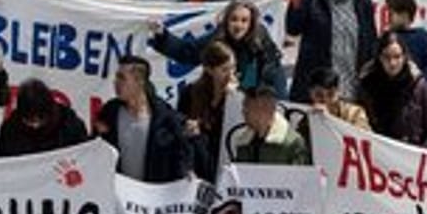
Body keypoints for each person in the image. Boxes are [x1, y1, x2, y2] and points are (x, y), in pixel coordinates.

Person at [288, 0, 378, 102]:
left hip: (352, 89)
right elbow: (293, 28)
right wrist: (297, 1)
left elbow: (371, 42)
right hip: (320, 89)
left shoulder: (363, 3)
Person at [152, 0, 288, 96]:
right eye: (234, 19)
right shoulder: (218, 37)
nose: (238, 25)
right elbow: (188, 52)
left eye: (244, 21)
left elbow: (272, 74)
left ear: (251, 23)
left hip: (259, 97)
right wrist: (162, 33)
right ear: (226, 20)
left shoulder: (260, 40)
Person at [95, 57, 191, 182]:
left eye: (122, 78)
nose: (116, 82)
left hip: (151, 196)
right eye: (116, 77)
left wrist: (187, 173)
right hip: (118, 194)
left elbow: (181, 155)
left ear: (139, 82)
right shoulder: (109, 112)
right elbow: (97, 149)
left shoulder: (166, 118)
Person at [358, 32, 427, 149]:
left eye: (397, 57)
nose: (392, 63)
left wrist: (422, 155)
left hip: (409, 154)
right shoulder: (367, 85)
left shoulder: (419, 85)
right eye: (387, 57)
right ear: (379, 57)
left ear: (405, 57)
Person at [175, 41, 236, 180]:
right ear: (209, 70)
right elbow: (180, 128)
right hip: (197, 160)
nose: (230, 74)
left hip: (223, 161)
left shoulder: (236, 96)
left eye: (233, 68)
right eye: (224, 70)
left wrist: (231, 100)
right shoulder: (190, 93)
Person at [0, 78, 89, 157]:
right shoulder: (10, 130)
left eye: (40, 120)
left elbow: (83, 157)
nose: (35, 126)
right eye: (29, 121)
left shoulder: (70, 125)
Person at [227, 84, 310, 165]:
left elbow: (299, 176)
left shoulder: (292, 143)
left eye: (247, 107)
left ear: (263, 109)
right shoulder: (243, 142)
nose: (243, 112)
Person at [382, 0, 427, 81]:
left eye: (392, 13)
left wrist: (421, 78)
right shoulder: (385, 38)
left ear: (405, 14)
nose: (388, 17)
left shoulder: (422, 37)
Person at [305, 67, 371, 130]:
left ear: (338, 92)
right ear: (310, 94)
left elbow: (363, 136)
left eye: (331, 94)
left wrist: (328, 119)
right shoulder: (303, 114)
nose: (325, 99)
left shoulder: (355, 112)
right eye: (319, 95)